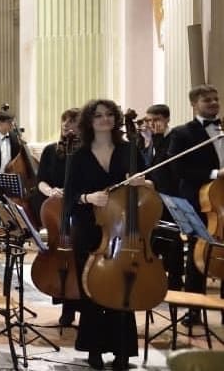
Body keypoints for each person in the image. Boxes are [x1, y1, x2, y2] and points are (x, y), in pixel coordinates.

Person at [64, 99, 140, 370]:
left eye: (109, 115)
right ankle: (94, 350)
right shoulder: (79, 156)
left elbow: (148, 189)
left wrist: (143, 182)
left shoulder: (129, 150)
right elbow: (69, 199)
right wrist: (88, 197)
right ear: (89, 121)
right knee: (92, 290)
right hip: (88, 230)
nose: (104, 119)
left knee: (123, 291)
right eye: (98, 116)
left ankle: (122, 351)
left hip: (123, 232)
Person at [169, 84, 223, 325]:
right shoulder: (182, 133)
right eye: (207, 100)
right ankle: (193, 309)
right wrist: (214, 173)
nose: (213, 103)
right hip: (199, 202)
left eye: (215, 99)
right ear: (194, 104)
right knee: (196, 256)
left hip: (222, 202)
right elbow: (179, 168)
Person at [35, 107, 81, 326]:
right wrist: (51, 191)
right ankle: (67, 306)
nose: (67, 126)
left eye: (72, 122)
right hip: (57, 209)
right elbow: (41, 180)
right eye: (64, 121)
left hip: (82, 210)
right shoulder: (50, 151)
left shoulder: (87, 153)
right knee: (62, 254)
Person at [142, 104, 184, 291]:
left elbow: (168, 169)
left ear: (167, 119)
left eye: (156, 120)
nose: (151, 124)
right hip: (154, 197)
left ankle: (175, 282)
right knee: (154, 239)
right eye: (148, 120)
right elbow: (146, 166)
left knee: (172, 241)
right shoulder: (149, 140)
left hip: (171, 196)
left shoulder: (173, 138)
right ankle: (154, 277)